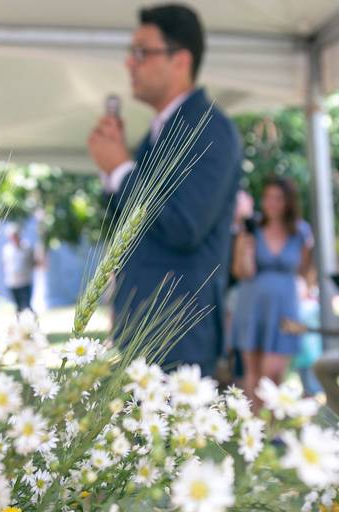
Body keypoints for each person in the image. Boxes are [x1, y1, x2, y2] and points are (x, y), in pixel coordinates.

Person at [87, 4, 241, 377]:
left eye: (142, 52)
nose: (129, 63)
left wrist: (121, 169)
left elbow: (184, 225)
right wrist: (114, 175)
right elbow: (135, 226)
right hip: (140, 329)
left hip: (177, 337)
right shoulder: (157, 132)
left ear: (180, 60)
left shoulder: (210, 128)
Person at [230, 177, 314, 410]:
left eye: (278, 198)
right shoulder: (252, 228)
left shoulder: (300, 232)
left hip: (285, 307)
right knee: (253, 372)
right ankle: (255, 424)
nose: (272, 203)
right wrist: (246, 247)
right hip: (252, 305)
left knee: (273, 374)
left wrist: (304, 293)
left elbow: (306, 272)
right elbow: (240, 271)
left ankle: (271, 423)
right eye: (268, 197)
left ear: (288, 201)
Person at [1, 223, 36, 313]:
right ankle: (20, 320)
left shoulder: (27, 247)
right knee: (18, 306)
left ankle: (30, 319)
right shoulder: (7, 249)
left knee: (26, 305)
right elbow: (5, 264)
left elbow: (33, 261)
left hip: (25, 281)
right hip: (12, 282)